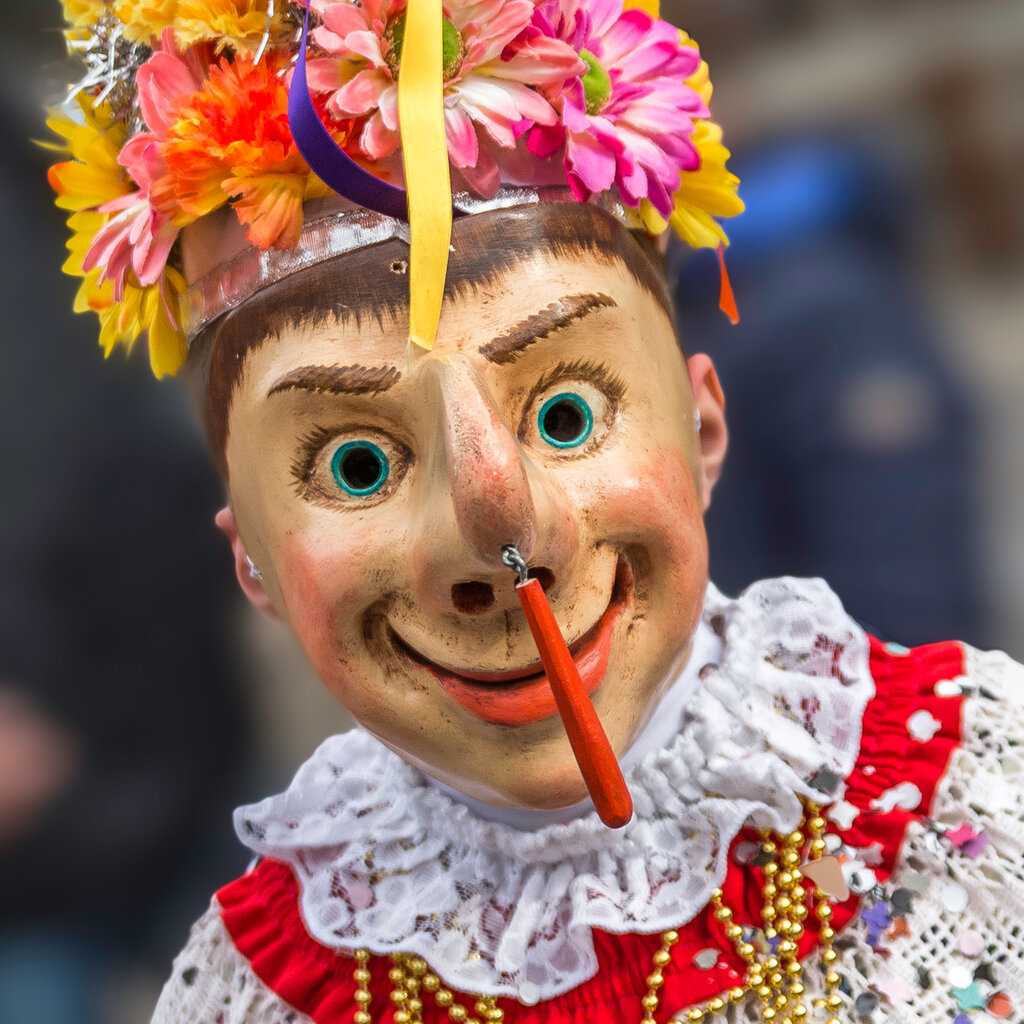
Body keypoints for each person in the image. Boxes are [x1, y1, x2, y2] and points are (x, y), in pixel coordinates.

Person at [45, 2, 1024, 1023]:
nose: (502, 535)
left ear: (701, 431)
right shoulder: (263, 993)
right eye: (357, 463)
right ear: (250, 563)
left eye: (566, 414)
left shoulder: (983, 798)